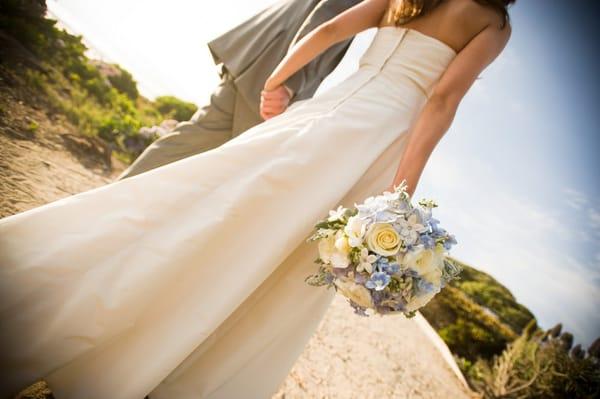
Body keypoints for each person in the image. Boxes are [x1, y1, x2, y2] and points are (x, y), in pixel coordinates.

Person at [0, 0, 514, 398]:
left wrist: (277, 80)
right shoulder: (492, 23)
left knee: (215, 206)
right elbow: (442, 99)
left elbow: (329, 29)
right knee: (288, 267)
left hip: (325, 114)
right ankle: (183, 373)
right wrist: (400, 193)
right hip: (377, 142)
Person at [117, 0, 362, 179]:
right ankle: (110, 207)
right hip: (273, 68)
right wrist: (288, 82)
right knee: (235, 169)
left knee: (194, 141)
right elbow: (327, 22)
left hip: (259, 54)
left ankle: (111, 203)